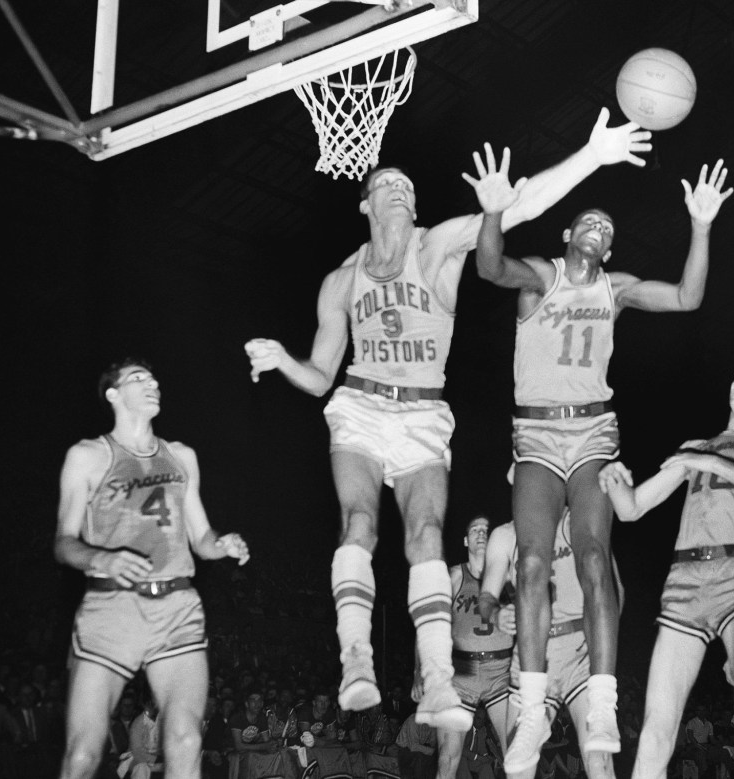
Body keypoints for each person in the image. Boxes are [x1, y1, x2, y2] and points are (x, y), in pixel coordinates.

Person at [244, 108, 651, 734]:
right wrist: (283, 361)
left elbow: (516, 208)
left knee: (428, 534)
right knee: (358, 521)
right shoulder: (340, 280)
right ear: (366, 204)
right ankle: (356, 657)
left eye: (407, 184)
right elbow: (322, 374)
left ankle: (436, 679)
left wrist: (592, 154)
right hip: (359, 403)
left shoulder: (436, 246)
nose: (401, 189)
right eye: (387, 184)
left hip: (423, 414)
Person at [473, 152, 733, 768]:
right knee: (532, 563)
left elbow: (688, 298)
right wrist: (492, 213)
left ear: (609, 252)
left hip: (592, 430)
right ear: (567, 236)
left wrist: (700, 226)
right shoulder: (541, 276)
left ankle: (603, 702)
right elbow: (488, 266)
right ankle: (532, 711)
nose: (600, 227)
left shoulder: (617, 290)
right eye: (590, 220)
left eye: (608, 229)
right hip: (535, 435)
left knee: (593, 556)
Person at [599, 361, 734, 779]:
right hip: (684, 582)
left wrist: (716, 465)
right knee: (655, 730)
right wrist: (612, 476)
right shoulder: (696, 446)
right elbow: (633, 508)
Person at [55, 358, 250, 779]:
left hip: (176, 606)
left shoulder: (182, 456)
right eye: (138, 378)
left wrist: (221, 544)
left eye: (154, 378)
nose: (152, 383)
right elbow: (64, 542)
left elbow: (200, 537)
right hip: (111, 607)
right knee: (83, 754)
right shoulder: (88, 455)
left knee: (185, 739)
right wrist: (99, 557)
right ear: (112, 393)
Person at [478, 508, 621, 778]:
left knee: (600, 762)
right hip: (533, 659)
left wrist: (602, 646)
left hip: (580, 653)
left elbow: (615, 591)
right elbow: (486, 597)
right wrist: (496, 613)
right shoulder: (506, 535)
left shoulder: (579, 519)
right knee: (518, 769)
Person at [431, 515, 514, 779]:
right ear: (466, 539)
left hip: (501, 672)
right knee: (448, 757)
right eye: (474, 529)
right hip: (462, 674)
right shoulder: (455, 575)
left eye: (486, 530)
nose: (480, 534)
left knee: (517, 753)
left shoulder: (510, 576)